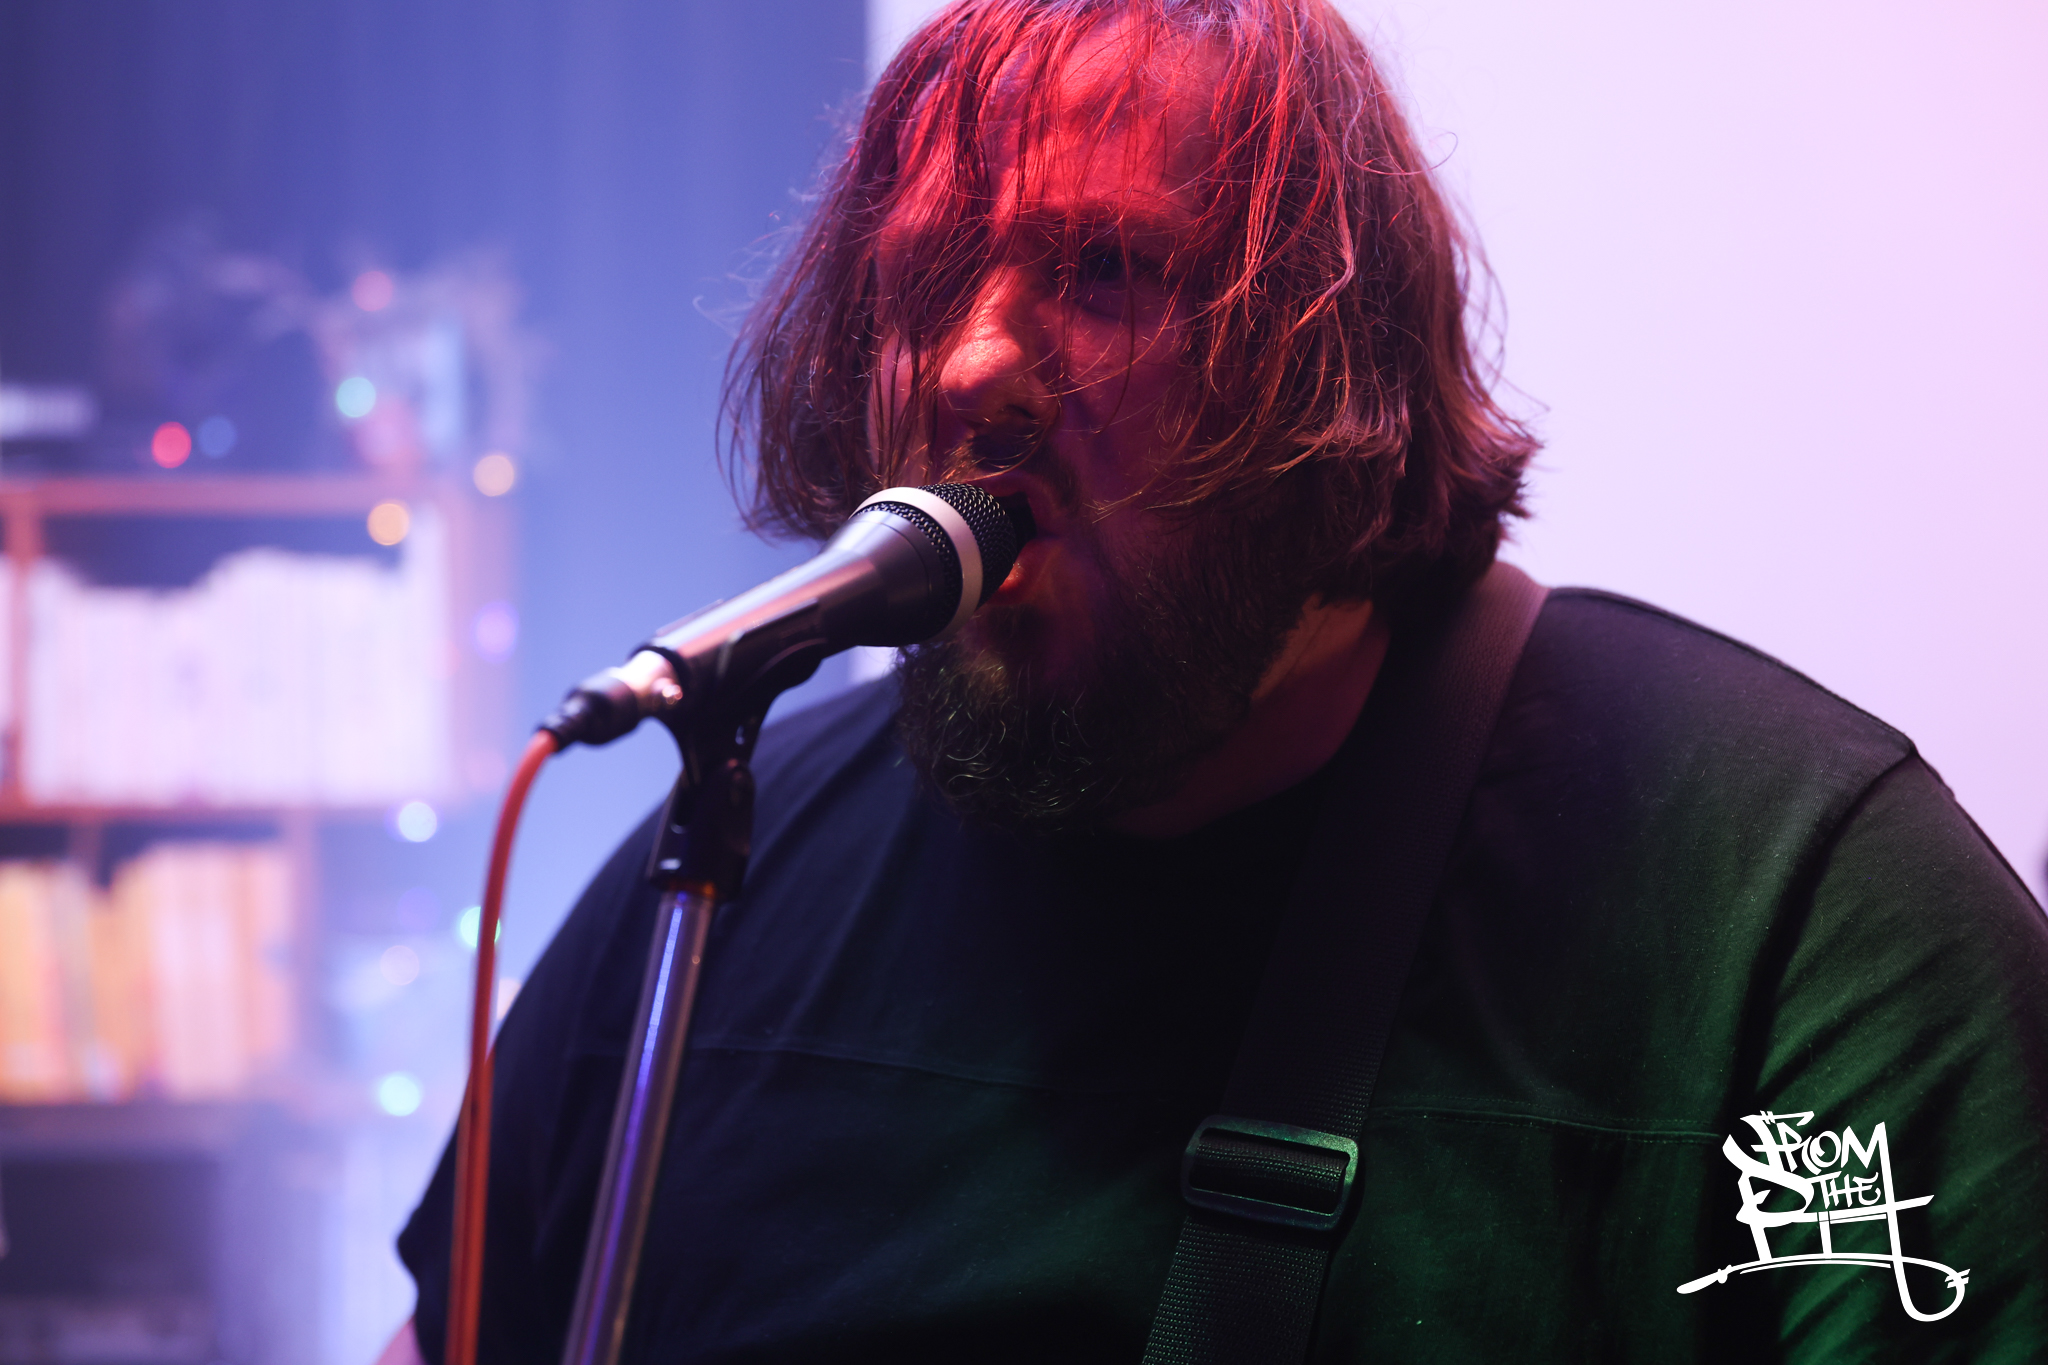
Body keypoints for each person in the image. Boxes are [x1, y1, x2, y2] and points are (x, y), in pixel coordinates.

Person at [383, 1, 2048, 1360]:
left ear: (1338, 365)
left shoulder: (1790, 904)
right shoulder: (711, 879)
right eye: (923, 279)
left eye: (1108, 268)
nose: (972, 360)